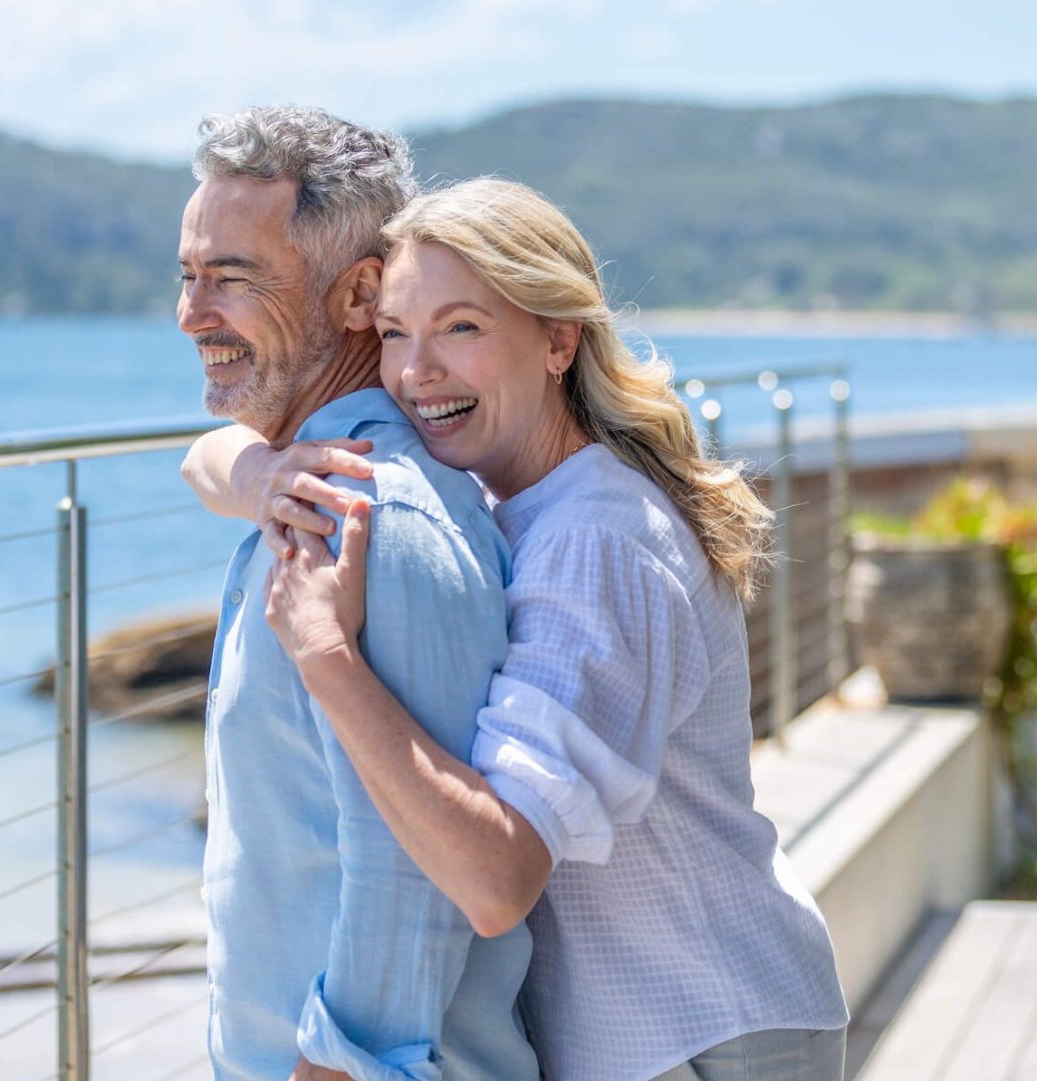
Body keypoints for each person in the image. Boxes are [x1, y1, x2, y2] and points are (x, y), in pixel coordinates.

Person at [188, 178, 848, 1081]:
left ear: (557, 338)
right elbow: (200, 455)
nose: (417, 373)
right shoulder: (513, 496)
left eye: (461, 328)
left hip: (702, 1035)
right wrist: (263, 471)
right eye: (393, 333)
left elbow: (496, 879)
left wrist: (328, 657)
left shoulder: (595, 540)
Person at [175, 106, 539, 1081]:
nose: (192, 311)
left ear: (357, 296)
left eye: (232, 278)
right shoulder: (308, 482)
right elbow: (205, 465)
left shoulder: (370, 514)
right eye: (188, 273)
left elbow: (414, 862)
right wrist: (256, 479)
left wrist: (333, 1067)